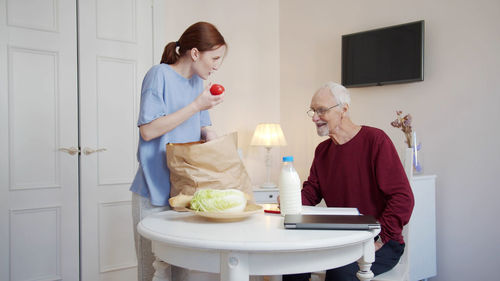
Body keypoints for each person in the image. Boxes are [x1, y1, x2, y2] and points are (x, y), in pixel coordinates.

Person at [283, 82, 414, 281]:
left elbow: (403, 198)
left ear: (343, 109)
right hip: (340, 239)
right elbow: (311, 193)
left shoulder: (375, 141)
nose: (315, 118)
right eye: (313, 111)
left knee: (340, 272)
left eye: (321, 110)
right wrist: (287, 200)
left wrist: (379, 238)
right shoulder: (323, 151)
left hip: (381, 242)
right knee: (293, 264)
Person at [130, 21, 226, 281]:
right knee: (153, 272)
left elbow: (205, 130)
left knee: (184, 270)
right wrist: (197, 105)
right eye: (215, 57)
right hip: (153, 193)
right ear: (195, 53)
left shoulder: (197, 84)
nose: (217, 65)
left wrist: (223, 152)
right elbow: (148, 131)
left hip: (184, 194)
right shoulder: (158, 74)